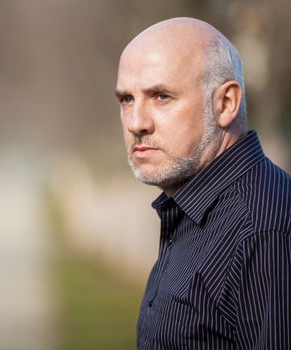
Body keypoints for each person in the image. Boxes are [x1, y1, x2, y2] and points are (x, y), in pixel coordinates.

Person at [115, 17, 290, 349]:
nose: (136, 122)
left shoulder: (264, 229)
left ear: (225, 103)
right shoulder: (189, 210)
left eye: (161, 96)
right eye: (126, 99)